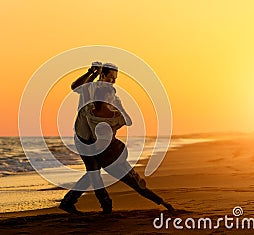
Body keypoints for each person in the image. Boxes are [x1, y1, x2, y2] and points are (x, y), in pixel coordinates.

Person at [86, 85, 174, 212]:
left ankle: (163, 202)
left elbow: (127, 122)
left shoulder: (93, 112)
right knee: (134, 182)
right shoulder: (110, 114)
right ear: (104, 96)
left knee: (135, 181)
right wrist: (119, 106)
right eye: (111, 95)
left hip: (114, 153)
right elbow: (127, 121)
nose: (113, 98)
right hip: (109, 157)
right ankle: (163, 203)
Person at [59, 62, 122, 214]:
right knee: (93, 171)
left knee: (93, 171)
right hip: (83, 137)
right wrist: (91, 73)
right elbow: (74, 87)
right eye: (110, 78)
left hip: (97, 140)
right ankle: (106, 205)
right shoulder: (90, 87)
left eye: (115, 79)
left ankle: (69, 201)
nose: (112, 81)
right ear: (103, 75)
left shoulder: (110, 93)